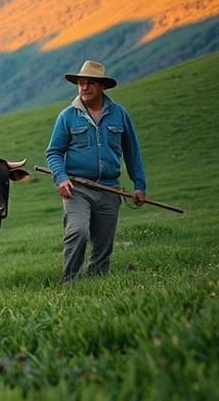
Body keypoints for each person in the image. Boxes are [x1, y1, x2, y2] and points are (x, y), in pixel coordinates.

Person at [45, 61, 146, 283]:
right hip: (77, 188)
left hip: (110, 189)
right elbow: (53, 153)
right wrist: (61, 179)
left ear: (102, 86)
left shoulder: (119, 114)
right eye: (81, 83)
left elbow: (133, 154)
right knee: (78, 232)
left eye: (90, 83)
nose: (84, 87)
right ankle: (69, 282)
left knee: (103, 244)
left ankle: (97, 283)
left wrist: (139, 186)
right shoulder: (67, 116)